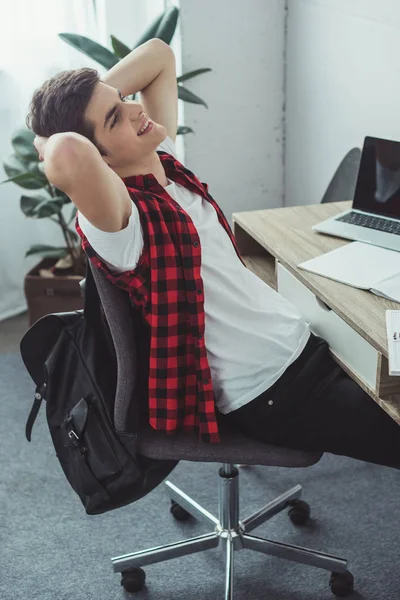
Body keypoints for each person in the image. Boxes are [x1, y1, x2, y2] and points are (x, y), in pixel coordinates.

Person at [27, 39, 400, 468]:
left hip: (305, 346)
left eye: (125, 100)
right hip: (275, 392)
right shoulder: (121, 225)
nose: (135, 111)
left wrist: (98, 102)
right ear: (98, 157)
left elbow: (158, 55)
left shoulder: (159, 164)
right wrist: (52, 134)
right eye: (115, 118)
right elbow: (66, 154)